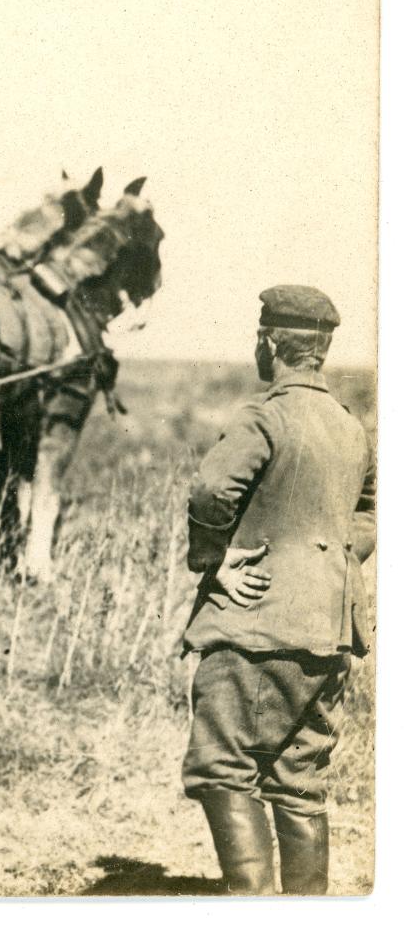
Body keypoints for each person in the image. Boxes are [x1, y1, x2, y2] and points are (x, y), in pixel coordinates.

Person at [180, 285, 375, 895]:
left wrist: (217, 563)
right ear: (320, 350)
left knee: (221, 769)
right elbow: (369, 514)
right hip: (328, 633)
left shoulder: (265, 416)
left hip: (258, 627)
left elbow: (211, 493)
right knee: (298, 780)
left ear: (270, 344)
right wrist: (331, 567)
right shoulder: (350, 428)